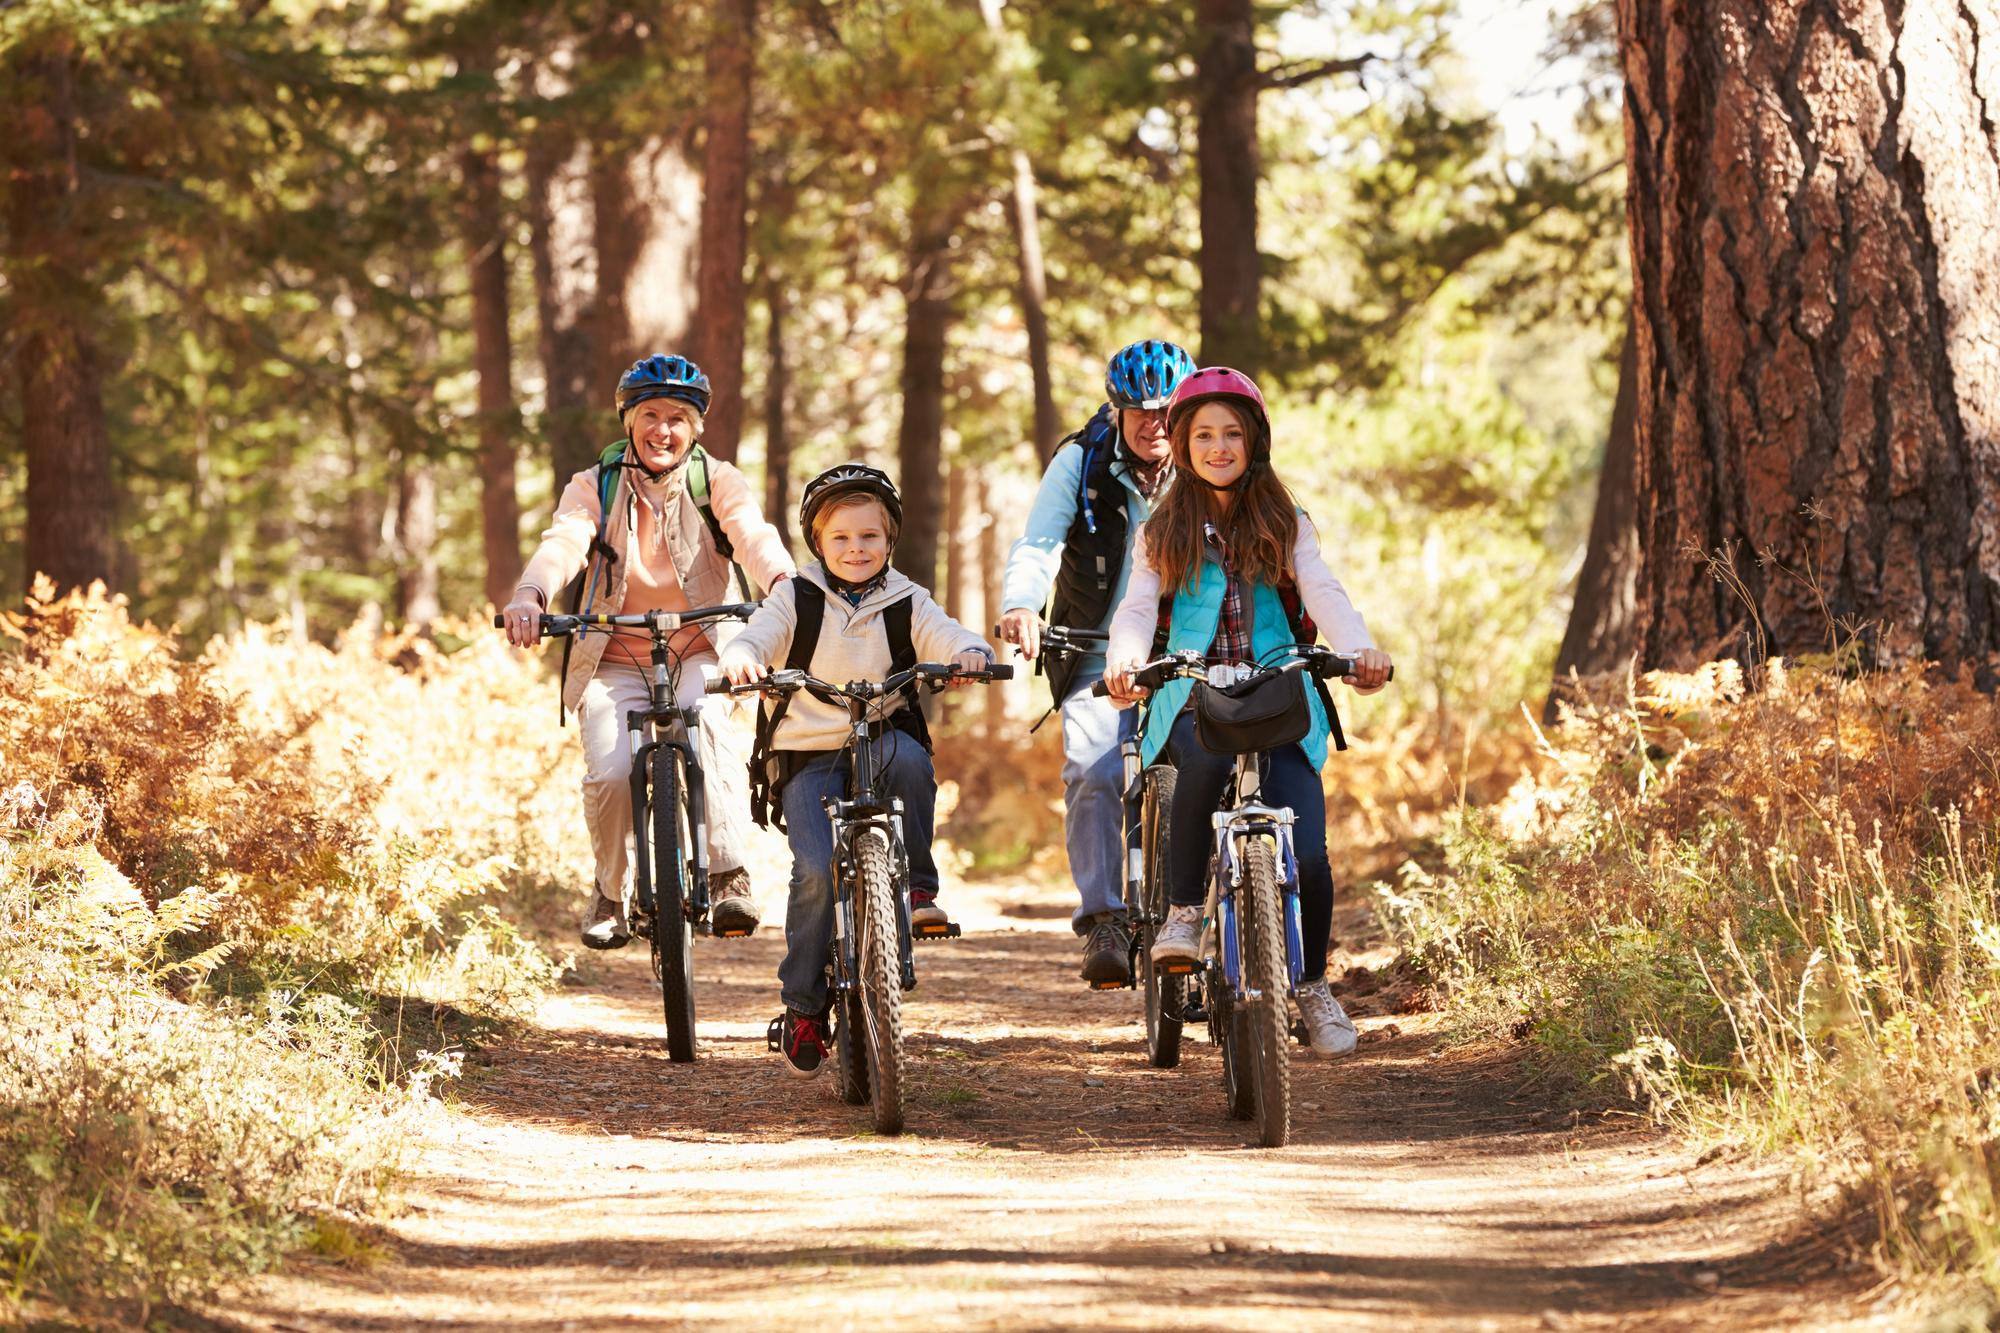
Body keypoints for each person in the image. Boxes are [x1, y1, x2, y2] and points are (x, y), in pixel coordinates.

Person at [1102, 367, 1392, 1058]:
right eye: (1203, 434)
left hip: (1277, 693)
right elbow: (1140, 608)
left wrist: (1359, 652)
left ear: (1255, 441)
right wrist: (1125, 660)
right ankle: (1181, 912)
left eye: (1233, 433)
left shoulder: (1284, 520)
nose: (1219, 445)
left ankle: (1314, 985)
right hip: (1193, 690)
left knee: (1312, 852)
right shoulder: (1161, 528)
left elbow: (1323, 590)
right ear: (1180, 442)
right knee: (1195, 764)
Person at [500, 354, 796, 950]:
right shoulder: (595, 485)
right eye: (651, 415)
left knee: (711, 735)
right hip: (613, 655)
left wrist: (785, 584)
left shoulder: (717, 481)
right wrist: (531, 592)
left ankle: (727, 872)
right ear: (628, 422)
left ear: (695, 429)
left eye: (678, 418)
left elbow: (752, 535)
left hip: (703, 648)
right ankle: (610, 891)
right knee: (609, 773)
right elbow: (565, 541)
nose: (664, 430)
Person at [719, 464, 994, 1077]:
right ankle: (804, 1008)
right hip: (809, 750)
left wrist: (970, 653)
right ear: (818, 543)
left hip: (882, 733)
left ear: (889, 541)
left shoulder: (907, 598)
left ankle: (918, 888)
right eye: (840, 538)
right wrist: (741, 660)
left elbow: (944, 634)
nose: (855, 549)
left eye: (869, 537)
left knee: (916, 765)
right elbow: (756, 637)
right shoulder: (796, 595)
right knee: (815, 870)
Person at [996, 339, 1197, 986]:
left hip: (1184, 647)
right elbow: (1039, 542)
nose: (1153, 423)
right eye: (1137, 410)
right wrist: (1024, 604)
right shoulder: (1080, 462)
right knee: (1092, 768)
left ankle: (1205, 914)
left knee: (1204, 771)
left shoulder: (1208, 459)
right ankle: (1104, 917)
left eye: (1166, 410)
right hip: (1092, 644)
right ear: (1115, 409)